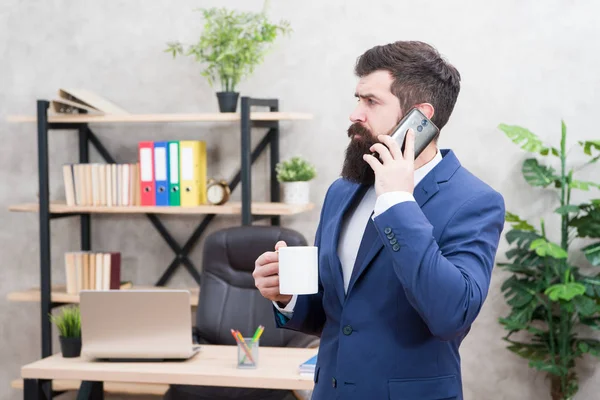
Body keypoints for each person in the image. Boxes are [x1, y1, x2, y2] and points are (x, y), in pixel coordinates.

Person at [253, 40, 505, 400]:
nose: (356, 113)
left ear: (420, 116)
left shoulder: (475, 202)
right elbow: (339, 315)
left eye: (371, 102)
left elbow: (451, 315)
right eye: (357, 99)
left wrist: (398, 201)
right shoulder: (343, 191)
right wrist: (288, 295)